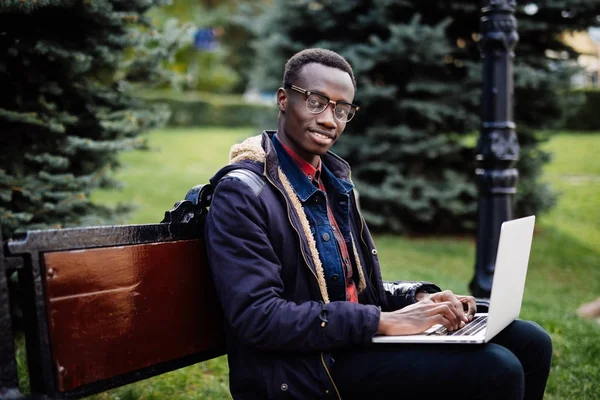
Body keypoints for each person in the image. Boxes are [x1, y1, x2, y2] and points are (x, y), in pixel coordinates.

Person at [205, 48, 552, 400]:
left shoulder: (331, 182)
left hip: (351, 344)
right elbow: (258, 317)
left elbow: (353, 289)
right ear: (283, 99)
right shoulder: (244, 192)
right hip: (306, 368)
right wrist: (383, 322)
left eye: (341, 109)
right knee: (496, 368)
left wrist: (418, 299)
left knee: (530, 341)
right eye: (316, 101)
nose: (330, 120)